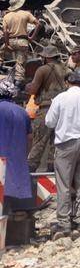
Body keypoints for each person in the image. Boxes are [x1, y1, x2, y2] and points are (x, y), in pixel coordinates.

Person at [45, 71, 80, 238]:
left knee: (64, 184)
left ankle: (64, 223)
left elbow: (49, 122)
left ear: (67, 82)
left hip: (66, 144)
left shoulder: (60, 98)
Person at [27, 44, 68, 172]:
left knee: (39, 142)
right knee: (55, 143)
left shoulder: (42, 70)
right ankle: (52, 171)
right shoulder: (66, 70)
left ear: (46, 57)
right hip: (62, 111)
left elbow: (33, 90)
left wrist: (28, 87)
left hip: (46, 109)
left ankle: (30, 170)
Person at [0, 78, 33, 214]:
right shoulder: (22, 112)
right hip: (17, 159)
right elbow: (30, 138)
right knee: (12, 191)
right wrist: (25, 154)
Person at [3, 0, 40, 84]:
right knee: (20, 64)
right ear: (20, 4)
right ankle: (18, 83)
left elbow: (5, 32)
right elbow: (38, 24)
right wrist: (32, 37)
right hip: (22, 42)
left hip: (11, 41)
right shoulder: (25, 14)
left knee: (1, 52)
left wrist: (7, 44)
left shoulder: (6, 16)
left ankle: (1, 66)